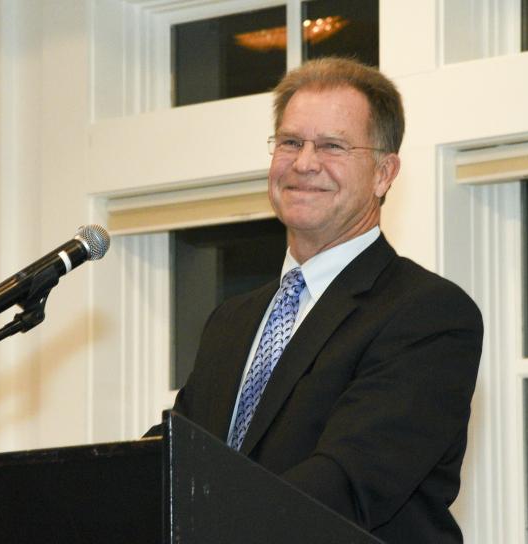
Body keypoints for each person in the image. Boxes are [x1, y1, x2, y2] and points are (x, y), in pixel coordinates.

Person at [157, 57, 483, 543]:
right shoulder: (231, 320)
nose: (304, 163)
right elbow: (177, 457)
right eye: (290, 142)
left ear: (383, 173)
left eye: (332, 145)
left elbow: (347, 482)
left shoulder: (428, 313)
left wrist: (202, 524)